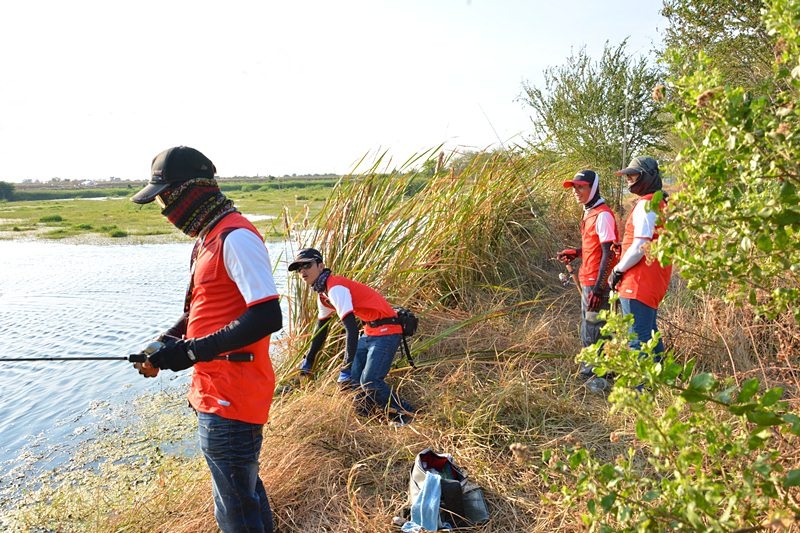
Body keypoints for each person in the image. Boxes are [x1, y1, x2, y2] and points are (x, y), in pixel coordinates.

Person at [130, 146, 282, 533]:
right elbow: (199, 308)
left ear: (191, 191)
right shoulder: (206, 239)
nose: (165, 209)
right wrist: (162, 344)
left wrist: (193, 351)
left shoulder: (236, 237)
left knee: (233, 512)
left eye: (166, 196)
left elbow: (267, 315)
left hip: (234, 394)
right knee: (242, 495)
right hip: (212, 389)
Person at [288, 248, 413, 425]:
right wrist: (309, 360)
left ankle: (409, 416)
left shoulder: (335, 288)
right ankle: (369, 420)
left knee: (370, 382)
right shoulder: (323, 295)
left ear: (321, 265)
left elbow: (351, 330)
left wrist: (345, 369)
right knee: (354, 383)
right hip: (370, 332)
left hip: (387, 331)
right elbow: (320, 331)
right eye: (298, 269)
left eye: (307, 265)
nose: (302, 271)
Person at [557, 170, 619, 392]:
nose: (576, 191)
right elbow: (595, 247)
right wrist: (576, 252)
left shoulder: (602, 215)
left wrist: (600, 289)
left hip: (596, 282)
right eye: (574, 187)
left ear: (593, 187)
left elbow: (609, 253)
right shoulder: (590, 213)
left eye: (581, 187)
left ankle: (596, 377)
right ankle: (600, 372)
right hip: (589, 279)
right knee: (593, 327)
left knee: (594, 329)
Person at [608, 156, 672, 361]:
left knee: (638, 341)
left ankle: (639, 392)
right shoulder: (660, 202)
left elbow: (640, 246)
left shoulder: (647, 204)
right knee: (650, 336)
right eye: (627, 175)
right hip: (652, 280)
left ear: (648, 176)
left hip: (638, 281)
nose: (629, 179)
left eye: (633, 174)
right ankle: (660, 384)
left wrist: (617, 270)